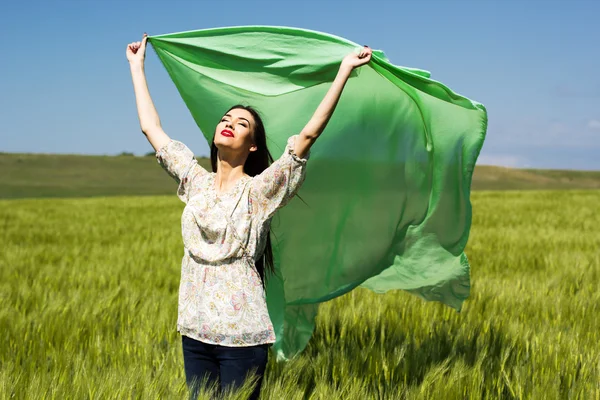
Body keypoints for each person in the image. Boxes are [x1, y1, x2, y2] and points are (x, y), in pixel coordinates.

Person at [126, 33, 372, 399]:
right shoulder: (195, 181)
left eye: (241, 123)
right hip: (194, 331)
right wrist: (137, 67)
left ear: (252, 144)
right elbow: (152, 129)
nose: (229, 123)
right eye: (226, 119)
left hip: (242, 337)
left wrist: (343, 72)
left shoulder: (259, 192)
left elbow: (307, 136)